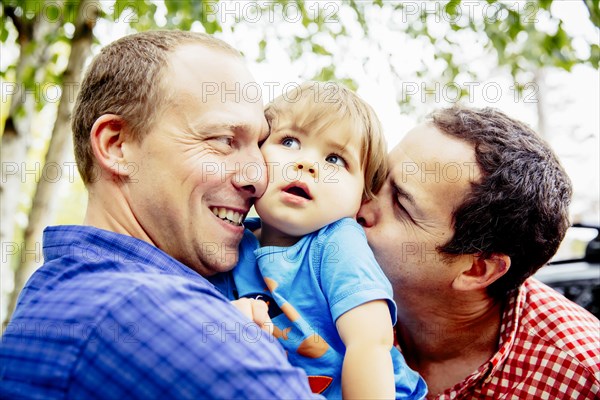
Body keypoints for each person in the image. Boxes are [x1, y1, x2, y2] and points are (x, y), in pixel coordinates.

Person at [0, 31, 319, 399]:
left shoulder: (63, 291)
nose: (259, 178)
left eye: (258, 145)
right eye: (223, 140)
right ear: (116, 145)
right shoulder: (151, 311)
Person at [357, 106, 600, 399]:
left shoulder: (584, 378)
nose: (361, 205)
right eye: (377, 177)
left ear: (477, 269)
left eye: (401, 206)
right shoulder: (317, 293)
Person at [227, 81, 427, 399]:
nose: (306, 165)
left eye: (335, 160)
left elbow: (369, 343)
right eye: (289, 141)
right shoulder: (231, 241)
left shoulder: (338, 243)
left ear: (360, 198)